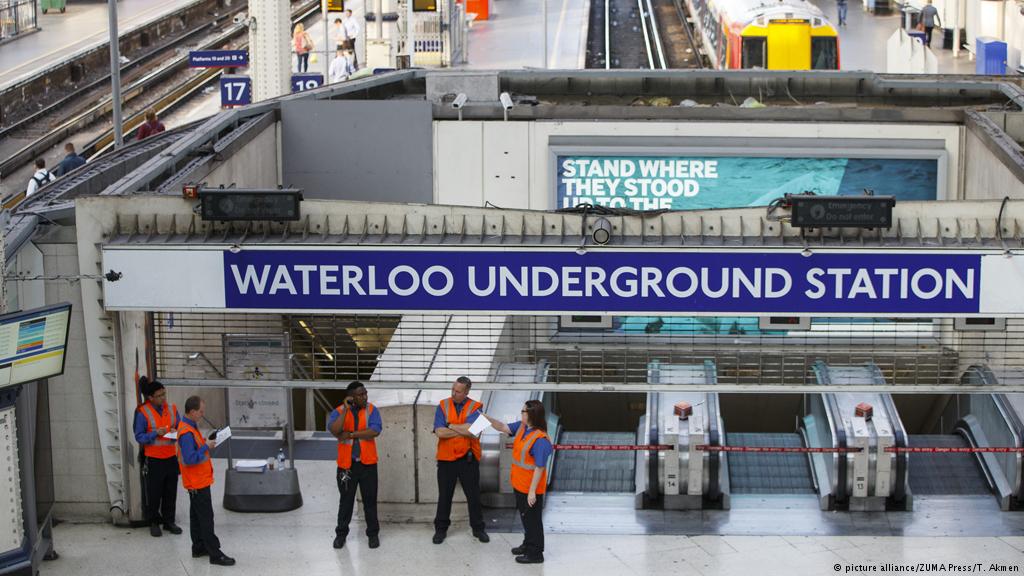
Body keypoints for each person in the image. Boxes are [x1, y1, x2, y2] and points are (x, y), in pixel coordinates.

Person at [481, 400, 552, 564]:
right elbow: (502, 427)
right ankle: (528, 544)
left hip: (530, 488)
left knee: (533, 521)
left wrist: (533, 491)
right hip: (520, 484)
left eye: (523, 412)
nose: (521, 414)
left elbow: (540, 467)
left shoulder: (540, 439)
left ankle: (535, 553)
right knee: (526, 518)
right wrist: (486, 418)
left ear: (532, 414)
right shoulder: (522, 427)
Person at [177, 395, 235, 566]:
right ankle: (215, 554)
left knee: (196, 517)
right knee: (206, 518)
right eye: (201, 411)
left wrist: (205, 442)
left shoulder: (188, 427)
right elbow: (189, 458)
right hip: (197, 482)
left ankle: (198, 547)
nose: (203, 414)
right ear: (193, 411)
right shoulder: (186, 433)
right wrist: (206, 446)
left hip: (196, 482)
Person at [432, 376, 489, 545]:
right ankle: (440, 530)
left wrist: (449, 425)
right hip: (446, 460)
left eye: (457, 391)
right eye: (453, 390)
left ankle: (478, 529)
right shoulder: (443, 405)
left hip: (468, 460)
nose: (453, 393)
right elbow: (439, 432)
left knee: (473, 496)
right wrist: (462, 429)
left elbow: (473, 432)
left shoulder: (476, 406)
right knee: (444, 497)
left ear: (467, 392)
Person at [328, 381, 382, 550]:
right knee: (346, 502)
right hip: (347, 466)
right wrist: (345, 409)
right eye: (360, 394)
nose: (365, 397)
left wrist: (351, 434)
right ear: (351, 397)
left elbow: (375, 430)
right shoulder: (338, 411)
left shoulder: (372, 410)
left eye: (365, 393)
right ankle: (341, 535)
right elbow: (335, 430)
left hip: (367, 465)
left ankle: (373, 535)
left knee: (370, 501)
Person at [133, 376, 182, 537]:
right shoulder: (142, 412)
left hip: (170, 457)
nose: (163, 398)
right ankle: (153, 521)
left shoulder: (172, 409)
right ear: (150, 397)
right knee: (154, 493)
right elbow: (139, 436)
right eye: (159, 395)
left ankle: (169, 521)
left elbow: (180, 427)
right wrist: (155, 433)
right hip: (153, 459)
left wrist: (177, 432)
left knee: (170, 491)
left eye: (164, 394)